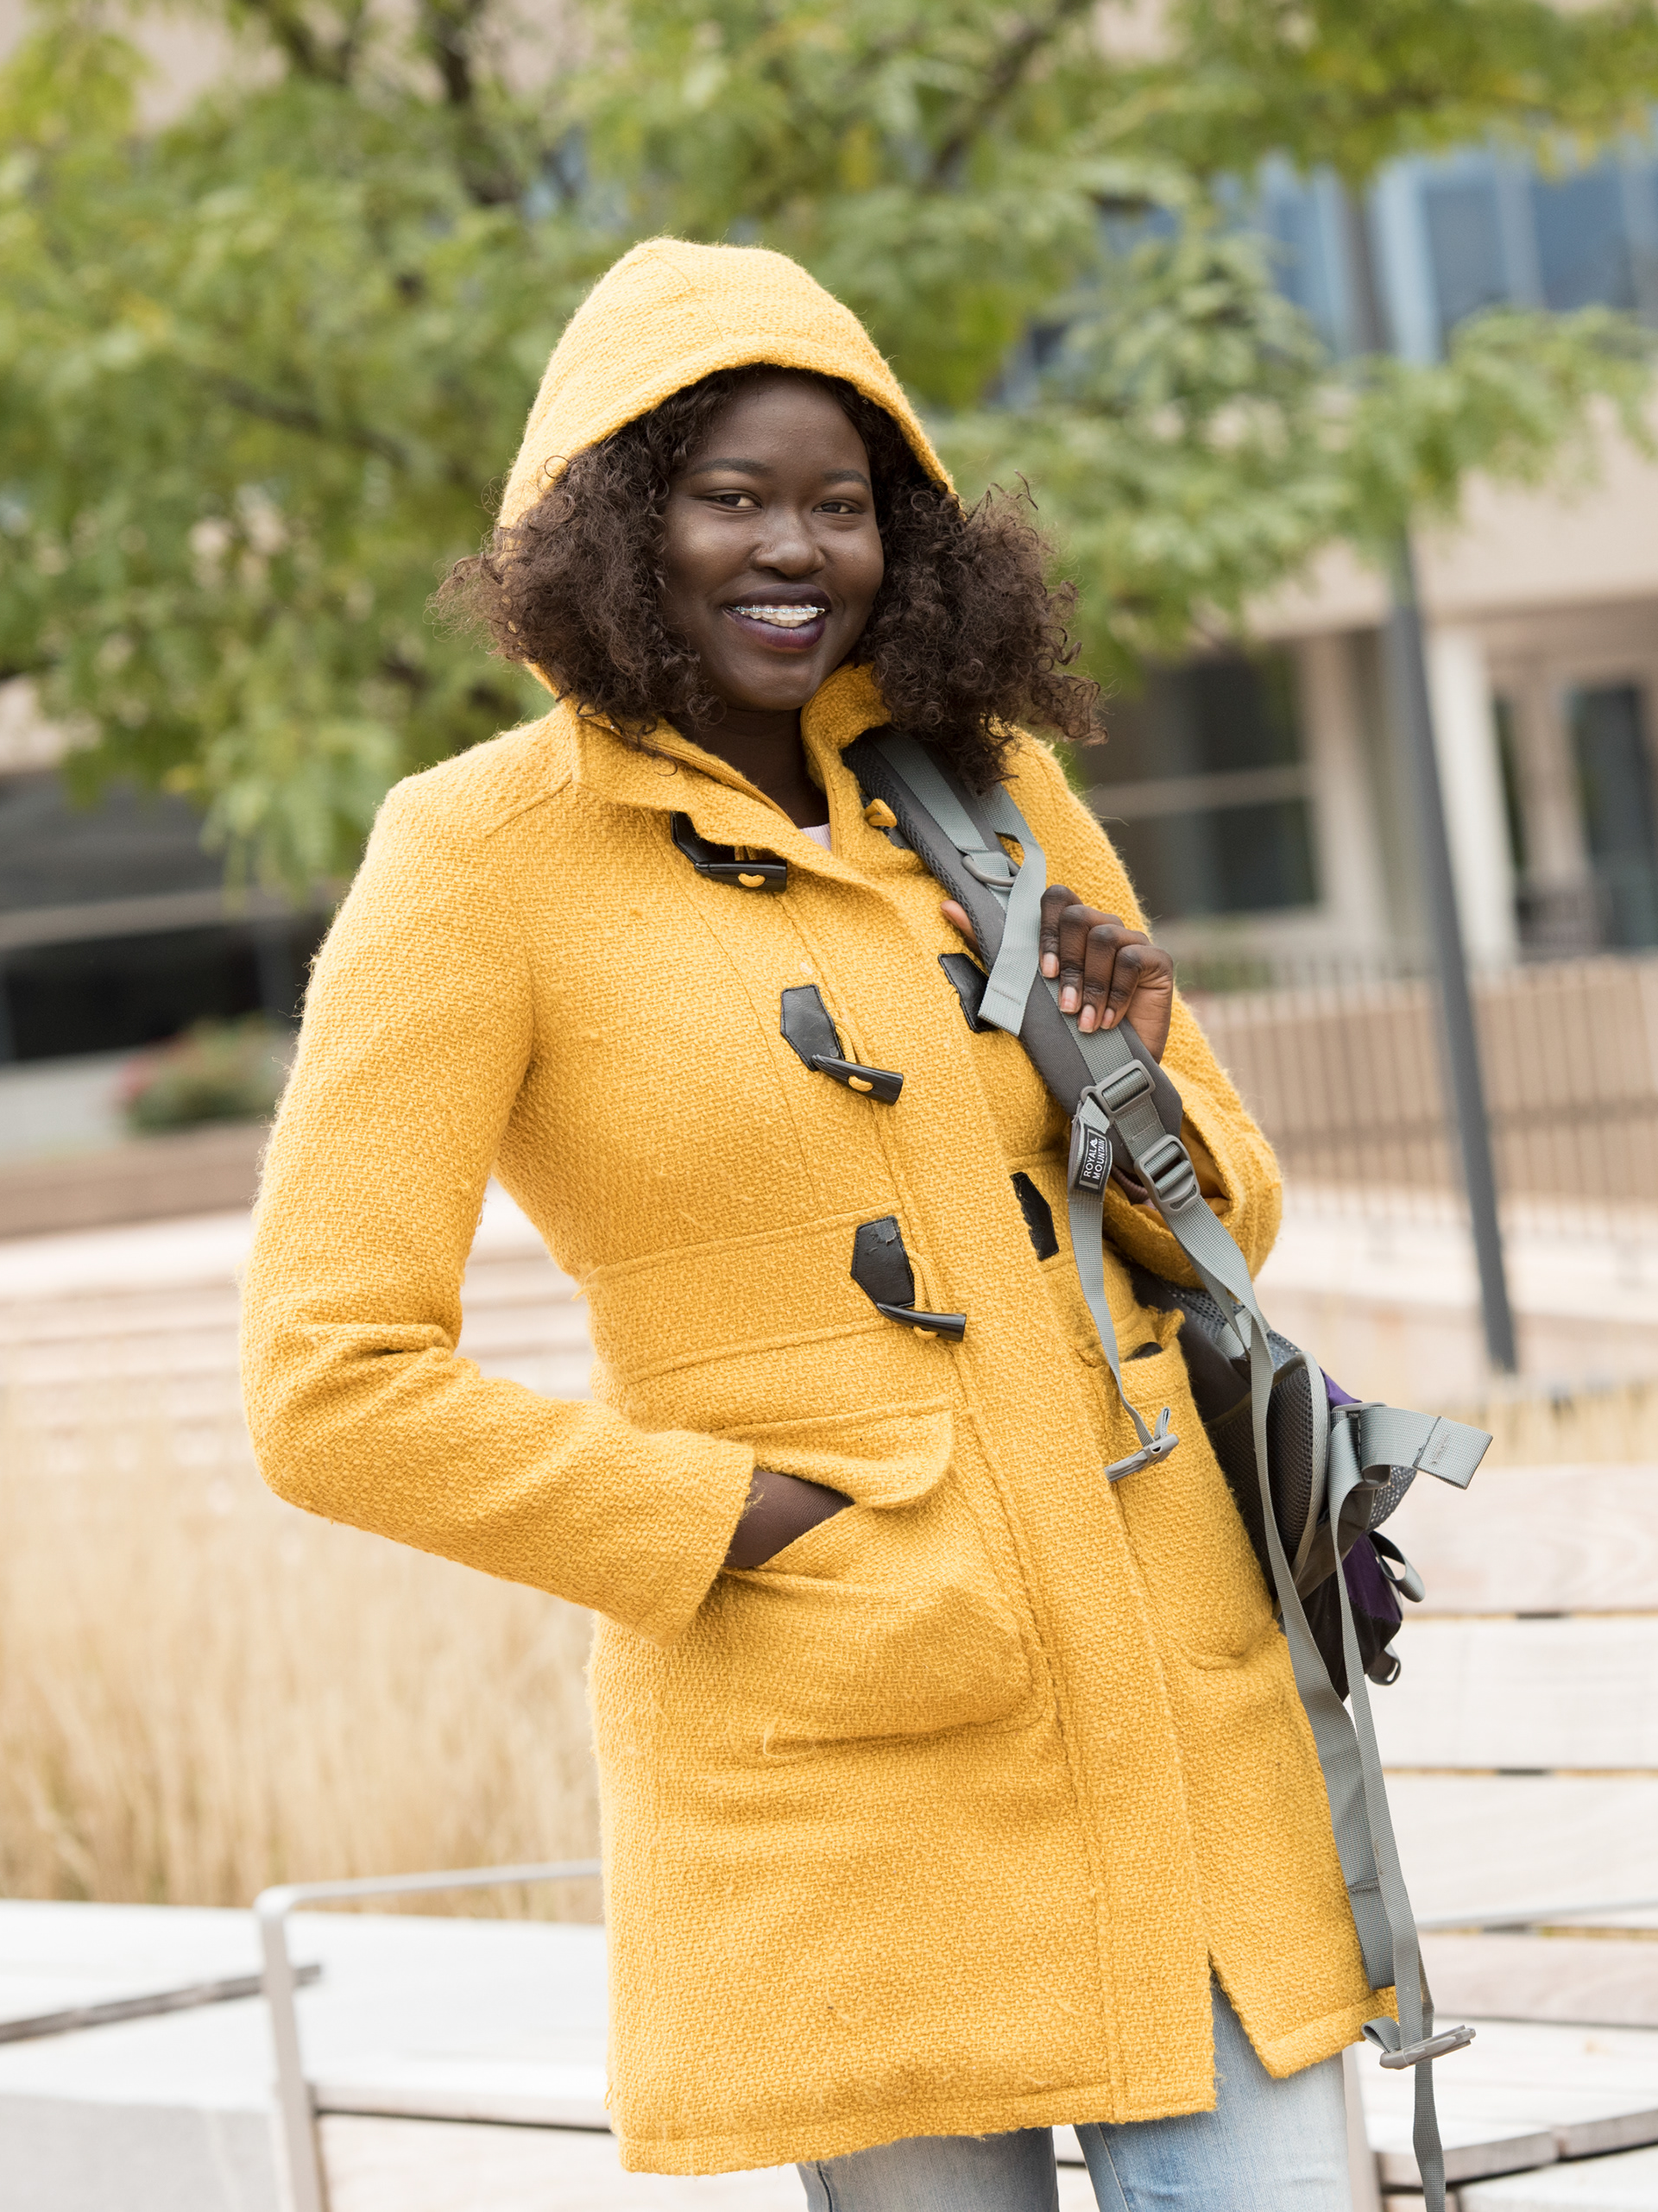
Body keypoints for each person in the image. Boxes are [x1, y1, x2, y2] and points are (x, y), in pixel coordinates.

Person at [239, 243, 1369, 2209]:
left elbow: (1234, 1215)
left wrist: (1133, 1079)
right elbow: (324, 1386)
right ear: (613, 525)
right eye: (729, 495)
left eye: (841, 503)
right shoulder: (474, 857)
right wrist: (733, 1521)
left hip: (1175, 1713)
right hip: (842, 1760)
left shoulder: (991, 797)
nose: (793, 548)